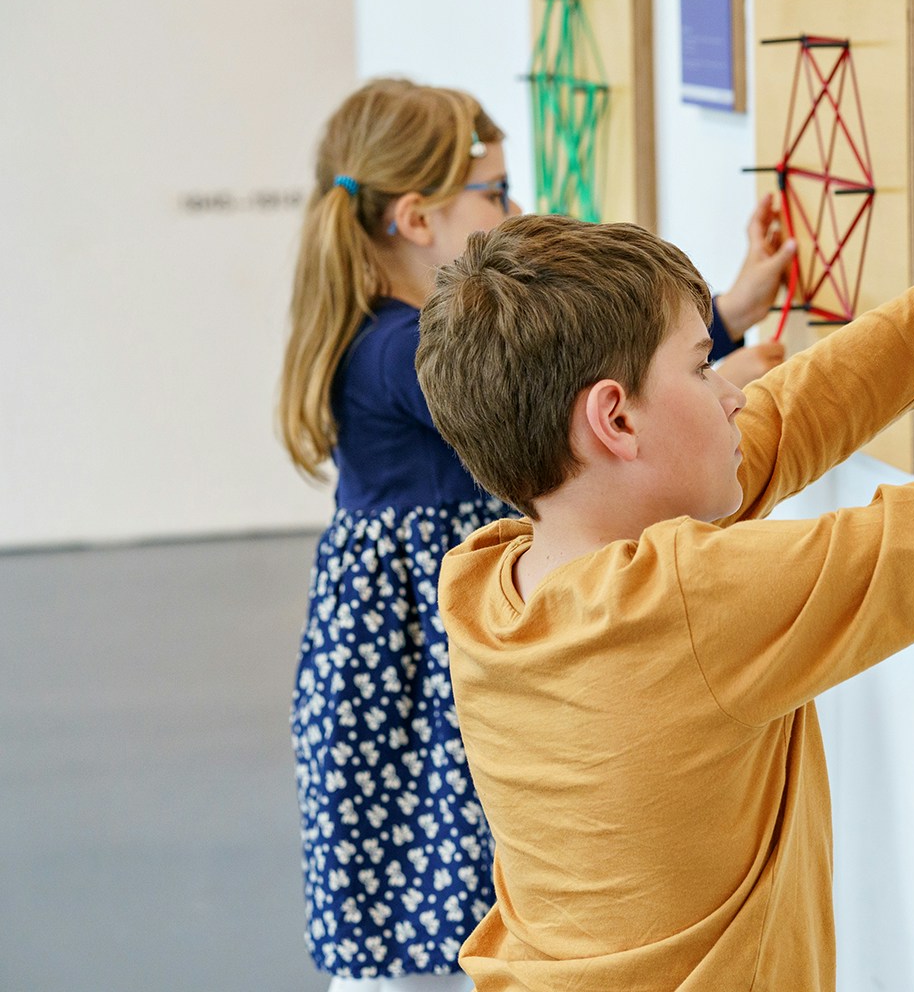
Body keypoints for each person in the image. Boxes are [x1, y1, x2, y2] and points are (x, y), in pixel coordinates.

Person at [413, 68, 914, 990]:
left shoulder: (494, 582)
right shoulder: (688, 607)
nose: (733, 391)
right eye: (701, 364)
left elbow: (799, 412)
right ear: (618, 421)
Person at [277, 77, 792, 989]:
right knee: (422, 871)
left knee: (432, 870)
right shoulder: (402, 350)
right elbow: (557, 387)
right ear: (418, 219)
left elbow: (583, 368)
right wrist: (725, 371)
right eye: (497, 193)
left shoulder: (389, 332)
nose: (514, 209)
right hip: (415, 661)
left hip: (406, 649)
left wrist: (729, 315)